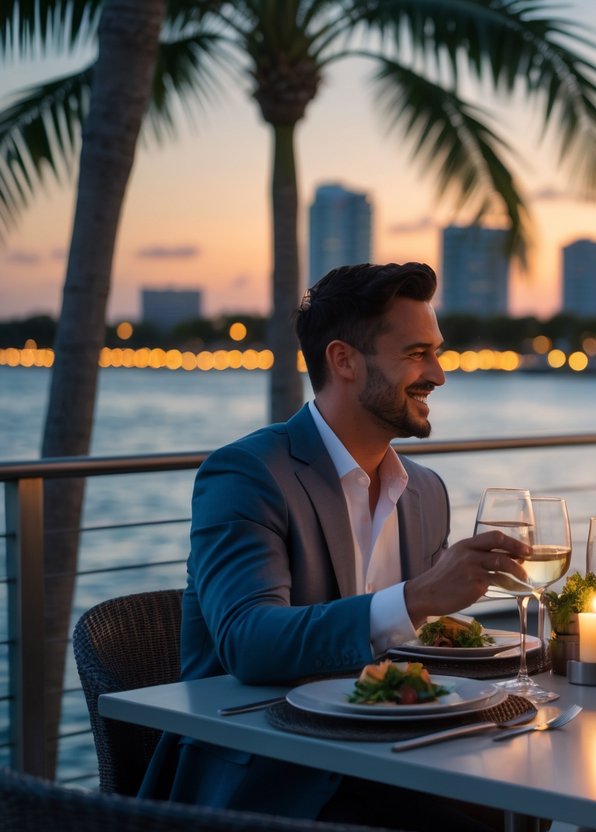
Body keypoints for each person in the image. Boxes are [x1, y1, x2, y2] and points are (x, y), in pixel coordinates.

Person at [140, 262, 530, 830]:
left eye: (437, 352)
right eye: (417, 353)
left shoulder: (425, 491)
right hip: (271, 782)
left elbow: (414, 653)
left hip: (408, 755)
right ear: (344, 360)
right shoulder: (247, 475)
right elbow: (248, 641)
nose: (439, 375)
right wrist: (417, 597)